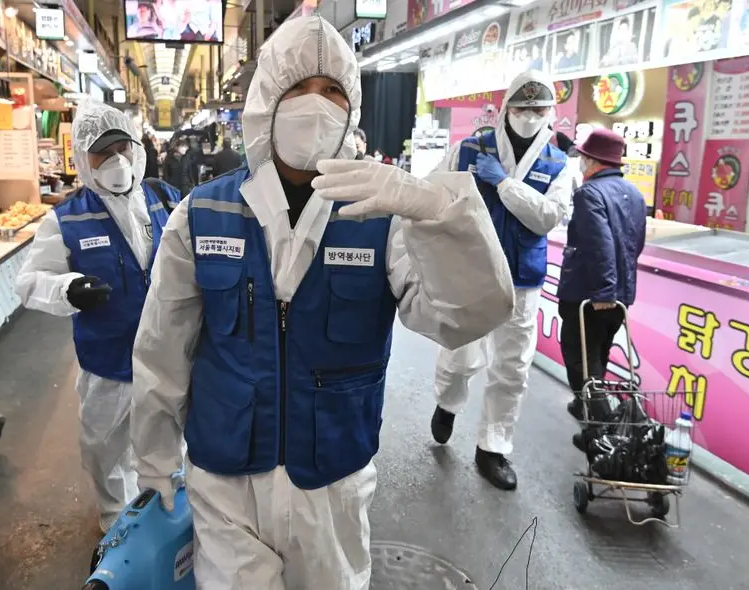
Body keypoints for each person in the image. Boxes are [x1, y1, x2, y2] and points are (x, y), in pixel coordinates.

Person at [129, 15, 514, 589]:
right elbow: (163, 344)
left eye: (332, 90)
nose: (316, 105)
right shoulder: (202, 214)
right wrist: (155, 457)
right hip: (225, 477)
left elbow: (465, 318)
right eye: (298, 89)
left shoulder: (384, 217)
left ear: (352, 107)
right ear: (267, 102)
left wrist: (441, 215)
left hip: (332, 481)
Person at [14, 101, 182, 534]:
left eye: (121, 148)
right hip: (108, 362)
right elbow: (29, 280)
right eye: (100, 153)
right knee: (104, 448)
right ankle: (115, 522)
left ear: (136, 148)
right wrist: (65, 288)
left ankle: (170, 516)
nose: (115, 162)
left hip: (169, 357)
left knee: (167, 442)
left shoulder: (166, 199)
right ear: (82, 160)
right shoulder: (66, 220)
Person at [431, 70, 572, 490]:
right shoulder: (469, 149)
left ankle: (493, 447)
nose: (529, 116)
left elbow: (546, 216)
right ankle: (447, 401)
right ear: (506, 108)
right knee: (460, 355)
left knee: (512, 367)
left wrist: (505, 184)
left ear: (550, 113)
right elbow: (436, 192)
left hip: (524, 276)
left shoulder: (559, 163)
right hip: (472, 269)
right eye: (522, 107)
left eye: (538, 109)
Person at [556, 129, 646, 406]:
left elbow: (599, 245)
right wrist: (615, 291)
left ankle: (598, 427)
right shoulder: (635, 194)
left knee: (581, 359)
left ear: (593, 161)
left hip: (591, 294)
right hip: (620, 294)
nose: (580, 161)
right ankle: (587, 410)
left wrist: (603, 293)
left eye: (583, 156)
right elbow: (636, 245)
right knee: (598, 355)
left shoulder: (589, 193)